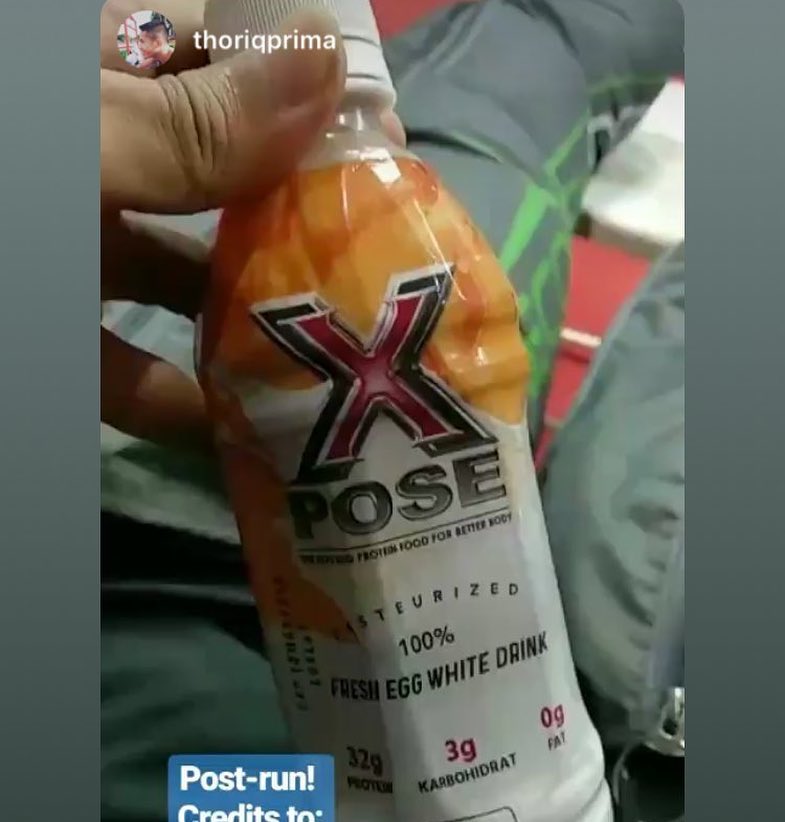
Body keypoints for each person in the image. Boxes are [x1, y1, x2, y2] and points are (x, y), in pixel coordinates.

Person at [100, 1, 683, 820]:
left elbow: (216, 795)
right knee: (513, 79)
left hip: (146, 511)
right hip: (234, 561)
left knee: (490, 91)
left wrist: (153, 45)